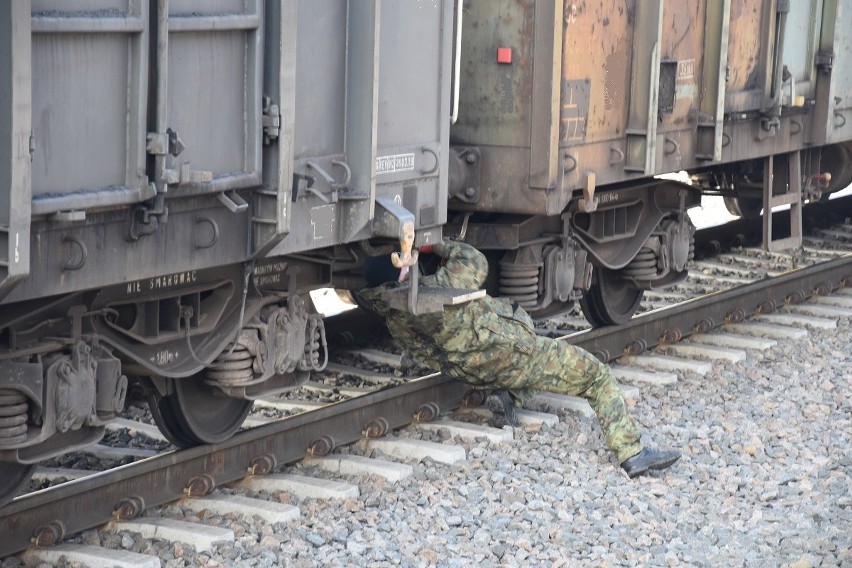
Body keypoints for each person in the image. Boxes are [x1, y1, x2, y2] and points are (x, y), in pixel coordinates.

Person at [359, 238, 680, 478]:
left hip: (469, 369)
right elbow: (474, 260)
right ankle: (632, 452)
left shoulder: (393, 317)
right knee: (596, 376)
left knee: (522, 323)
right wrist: (431, 246)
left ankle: (509, 394)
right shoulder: (434, 290)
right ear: (402, 275)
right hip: (511, 357)